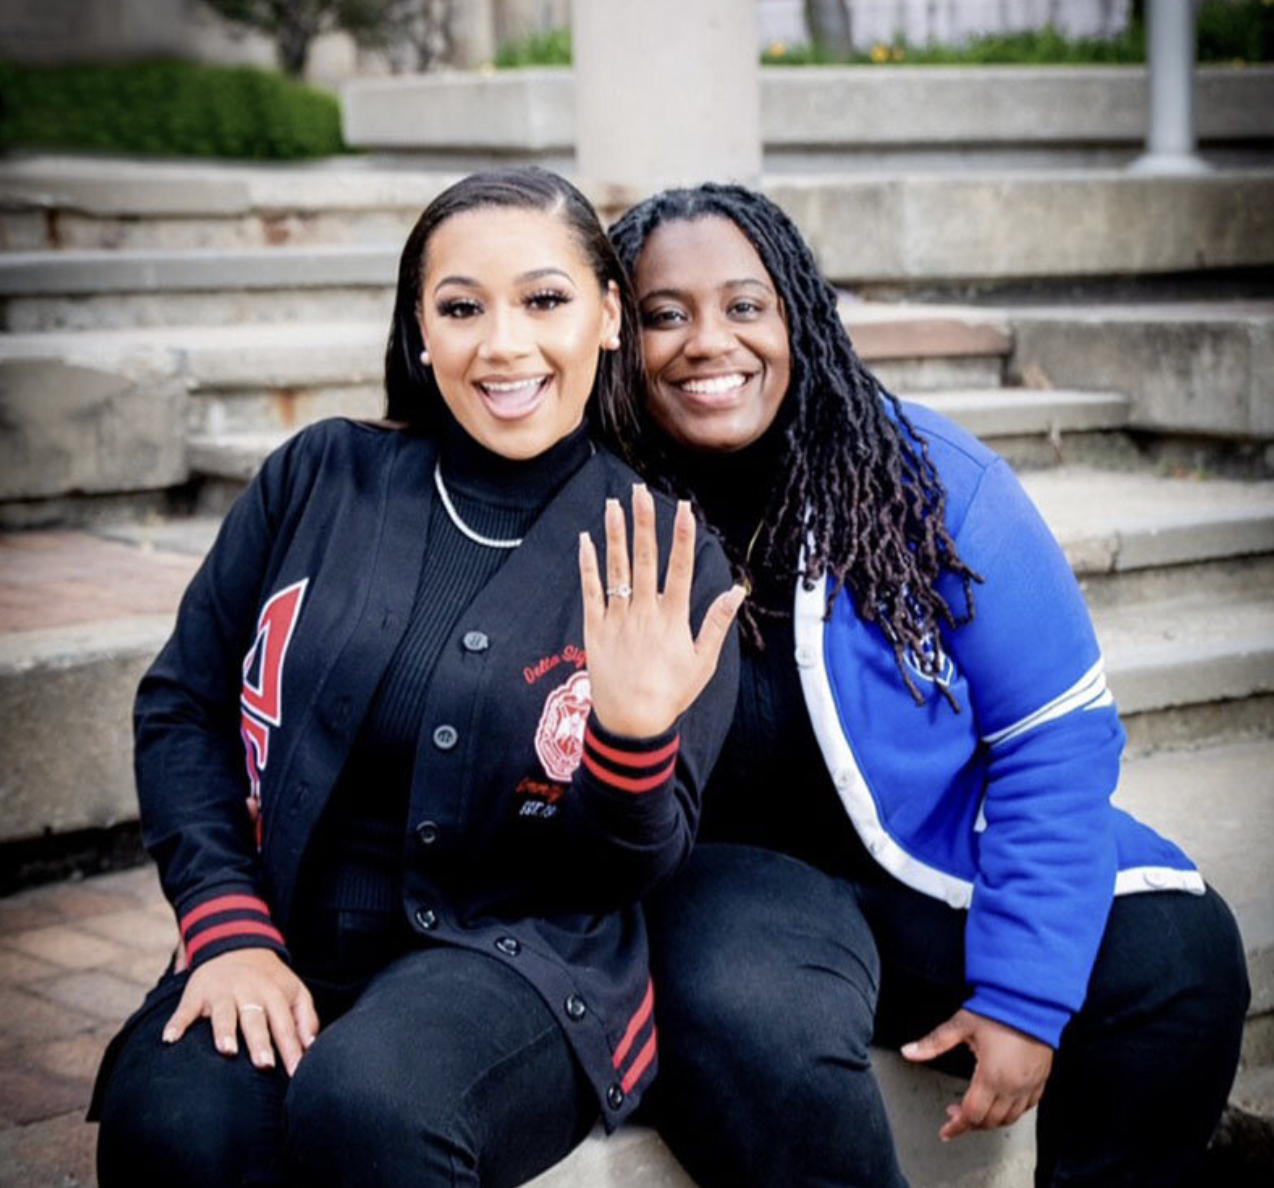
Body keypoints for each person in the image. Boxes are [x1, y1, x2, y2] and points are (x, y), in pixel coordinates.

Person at [90, 167, 743, 1188]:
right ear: (419, 331)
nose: (503, 344)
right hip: (286, 933)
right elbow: (183, 706)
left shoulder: (660, 554)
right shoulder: (319, 477)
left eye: (544, 300)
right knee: (175, 1126)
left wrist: (627, 737)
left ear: (607, 316)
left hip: (518, 964)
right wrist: (224, 929)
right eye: (460, 307)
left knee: (370, 1105)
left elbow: (626, 872)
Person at [608, 184, 1250, 1188]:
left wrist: (1024, 994)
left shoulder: (925, 478)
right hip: (733, 891)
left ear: (798, 320)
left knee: (1177, 956)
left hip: (934, 856)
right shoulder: (591, 501)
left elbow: (1053, 738)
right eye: (663, 314)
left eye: (744, 305)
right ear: (617, 334)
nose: (705, 341)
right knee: (749, 1018)